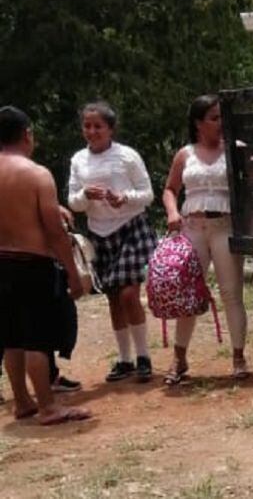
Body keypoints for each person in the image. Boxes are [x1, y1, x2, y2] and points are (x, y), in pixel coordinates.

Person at [0, 106, 91, 425]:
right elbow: (54, 231)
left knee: (11, 337)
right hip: (32, 263)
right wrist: (73, 273)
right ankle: (48, 406)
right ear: (27, 135)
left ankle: (22, 401)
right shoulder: (37, 174)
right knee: (37, 338)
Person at [161, 95, 248, 385]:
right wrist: (172, 212)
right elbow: (170, 189)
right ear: (198, 123)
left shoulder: (235, 149)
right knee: (189, 293)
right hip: (192, 228)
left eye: (222, 117)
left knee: (231, 292)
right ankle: (179, 357)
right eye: (214, 118)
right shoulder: (185, 154)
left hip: (225, 225)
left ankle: (238, 356)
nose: (220, 123)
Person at [68, 102, 156, 383]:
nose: (92, 131)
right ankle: (124, 359)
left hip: (130, 228)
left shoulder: (127, 156)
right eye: (87, 126)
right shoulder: (78, 160)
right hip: (100, 232)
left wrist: (124, 198)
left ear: (111, 129)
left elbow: (147, 194)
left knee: (129, 294)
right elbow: (73, 202)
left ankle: (143, 356)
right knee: (114, 298)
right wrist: (85, 195)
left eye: (98, 126)